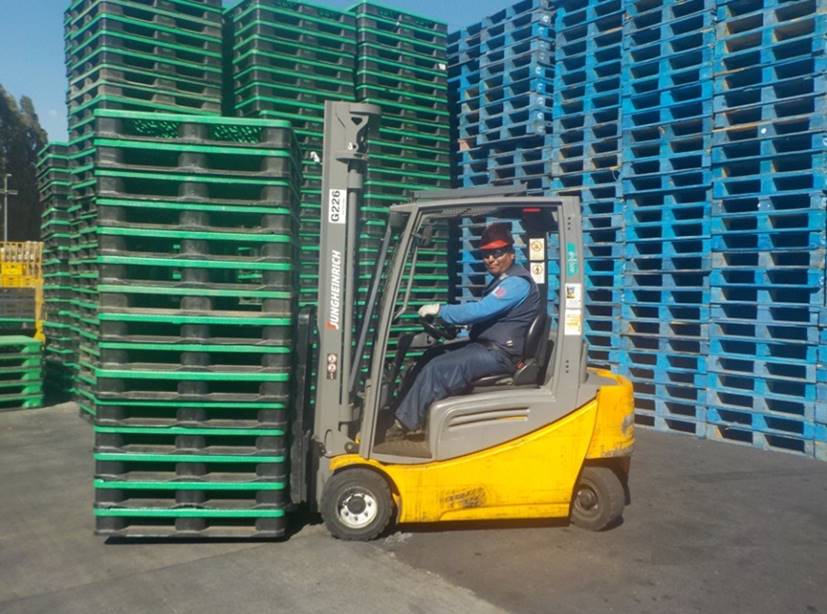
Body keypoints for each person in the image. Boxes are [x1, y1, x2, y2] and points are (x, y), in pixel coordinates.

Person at [388, 222, 542, 437]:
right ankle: (407, 414)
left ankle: (400, 427)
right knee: (430, 356)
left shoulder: (516, 283)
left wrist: (441, 310)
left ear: (511, 253)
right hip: (488, 348)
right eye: (486, 254)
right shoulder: (502, 281)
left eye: (497, 253)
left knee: (437, 368)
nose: (491, 259)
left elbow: (480, 310)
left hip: (500, 354)